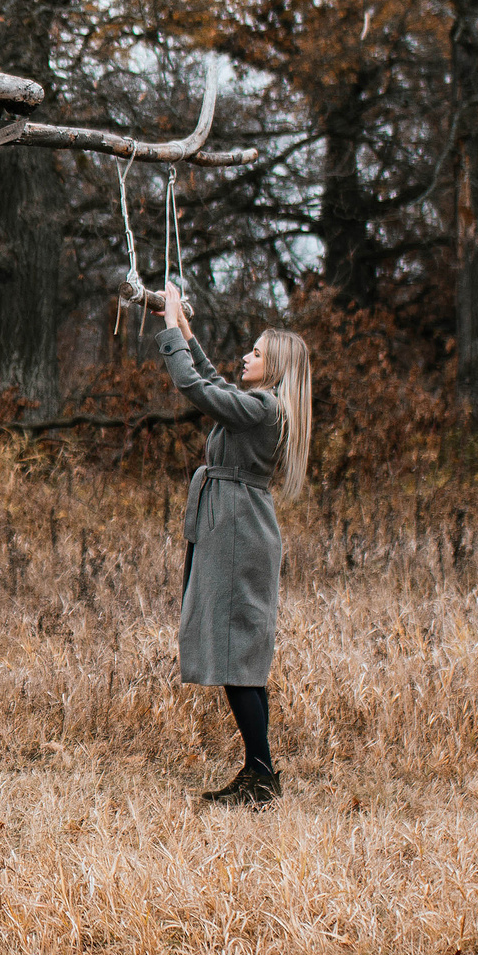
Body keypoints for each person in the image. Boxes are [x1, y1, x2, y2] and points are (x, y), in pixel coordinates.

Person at [153, 286, 311, 806]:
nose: (247, 356)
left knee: (238, 656)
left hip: (240, 530)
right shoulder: (257, 406)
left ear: (276, 367)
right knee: (238, 654)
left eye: (258, 352)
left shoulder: (264, 409)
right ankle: (259, 772)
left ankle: (262, 776)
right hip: (234, 524)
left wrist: (173, 331)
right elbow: (214, 384)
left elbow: (197, 391)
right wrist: (184, 330)